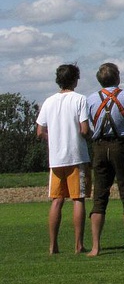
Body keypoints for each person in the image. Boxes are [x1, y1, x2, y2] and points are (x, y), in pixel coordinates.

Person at [86, 62, 124, 256]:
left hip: (100, 148)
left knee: (99, 197)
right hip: (122, 146)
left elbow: (90, 123)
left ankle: (95, 247)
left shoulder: (91, 99)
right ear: (117, 78)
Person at [35, 64, 92, 254]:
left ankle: (53, 246)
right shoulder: (80, 99)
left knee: (57, 200)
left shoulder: (49, 101)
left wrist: (54, 138)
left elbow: (40, 130)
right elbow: (84, 129)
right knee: (78, 199)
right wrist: (89, 136)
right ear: (75, 79)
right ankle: (78, 245)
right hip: (76, 155)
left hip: (56, 158)